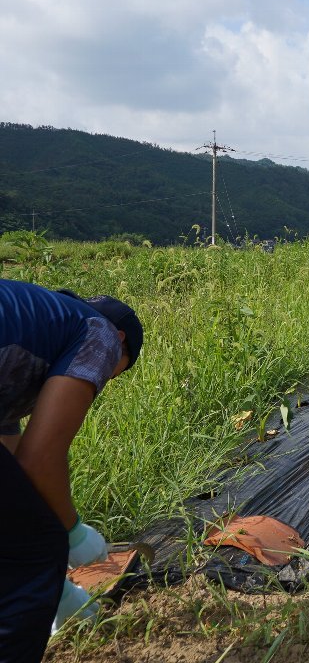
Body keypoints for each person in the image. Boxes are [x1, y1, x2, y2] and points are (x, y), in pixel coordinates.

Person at [1, 279, 144, 660]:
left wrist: (58, 587)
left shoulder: (24, 342)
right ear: (121, 341)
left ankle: (63, 607)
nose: (101, 380)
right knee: (34, 548)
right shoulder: (100, 334)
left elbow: (18, 480)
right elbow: (39, 459)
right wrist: (72, 533)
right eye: (115, 372)